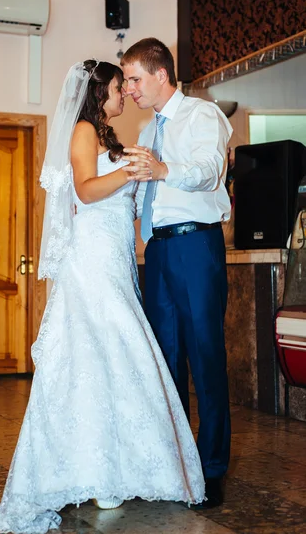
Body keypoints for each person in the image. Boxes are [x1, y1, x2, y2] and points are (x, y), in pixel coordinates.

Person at [0, 60, 205, 534]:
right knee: (103, 353)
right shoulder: (85, 131)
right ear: (96, 93)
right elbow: (87, 192)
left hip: (115, 259)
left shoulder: (105, 134)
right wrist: (129, 172)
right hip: (91, 263)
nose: (124, 94)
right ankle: (88, 469)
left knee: (114, 358)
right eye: (116, 87)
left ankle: (111, 469)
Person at [121, 38, 232, 508]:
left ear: (160, 74)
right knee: (165, 361)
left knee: (205, 356)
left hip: (195, 245)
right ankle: (176, 463)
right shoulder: (146, 131)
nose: (128, 89)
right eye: (125, 81)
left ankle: (211, 468)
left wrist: (163, 168)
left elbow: (209, 171)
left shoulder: (202, 115)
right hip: (159, 253)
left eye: (134, 79)